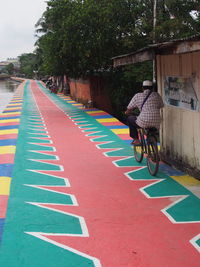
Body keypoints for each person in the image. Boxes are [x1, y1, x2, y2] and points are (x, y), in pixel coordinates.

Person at [125, 80, 164, 145]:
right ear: (152, 88)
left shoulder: (138, 96)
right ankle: (151, 138)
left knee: (130, 119)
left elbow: (129, 108)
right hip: (156, 121)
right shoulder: (157, 95)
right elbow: (161, 106)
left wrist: (127, 112)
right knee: (151, 125)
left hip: (144, 121)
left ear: (142, 88)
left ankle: (136, 140)